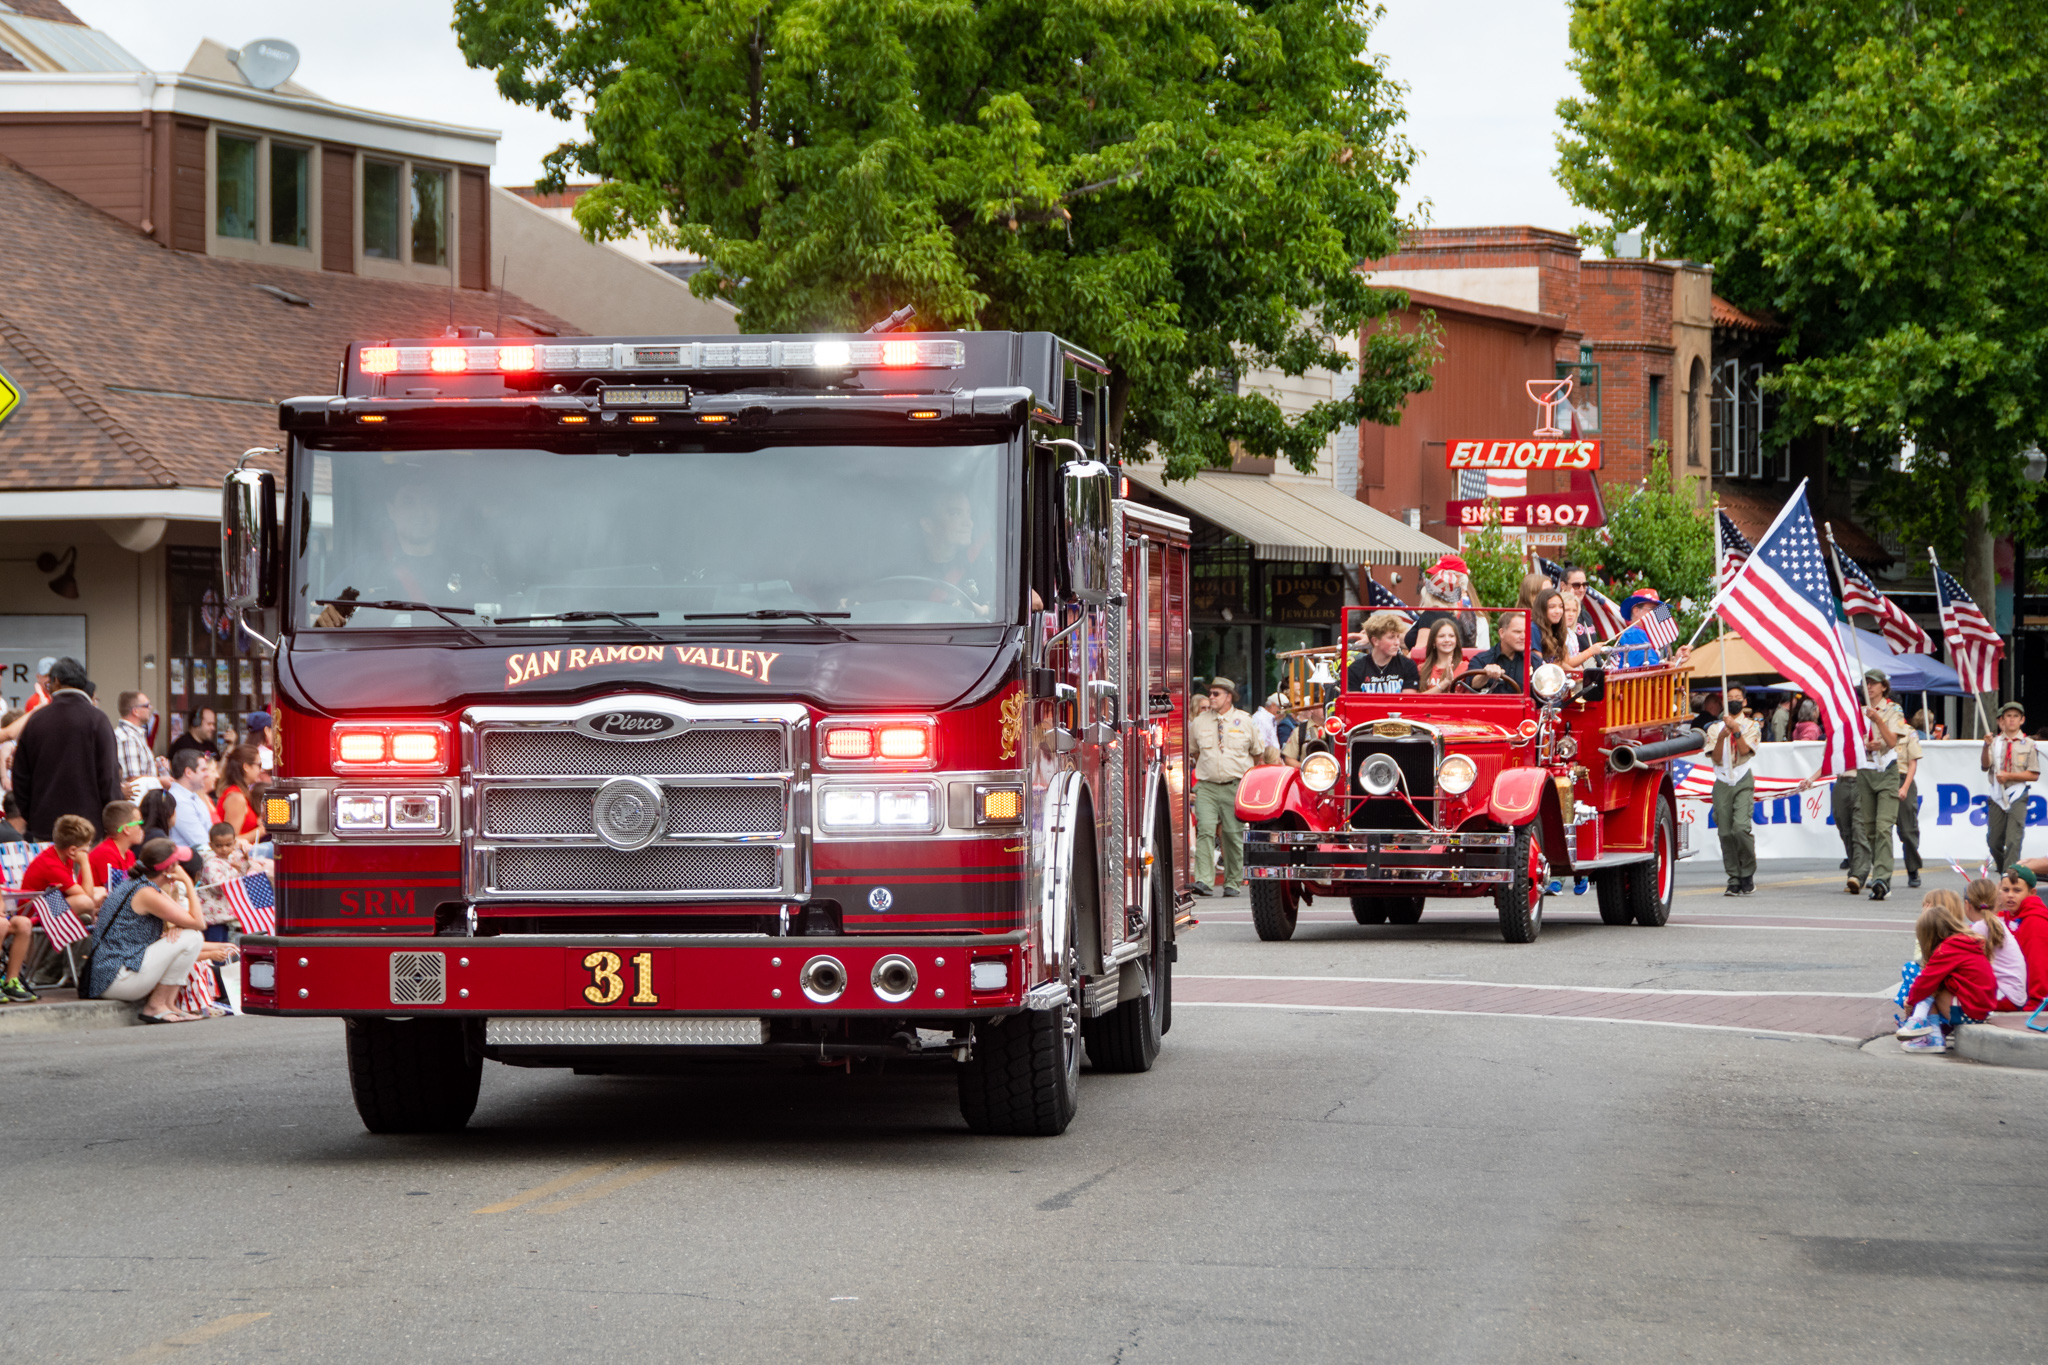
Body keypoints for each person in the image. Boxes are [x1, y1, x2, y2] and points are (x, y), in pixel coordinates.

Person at [81, 838, 232, 1023]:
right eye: (178, 864)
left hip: (113, 975)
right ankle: (156, 1006)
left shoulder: (141, 884)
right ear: (169, 870)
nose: (181, 867)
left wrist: (177, 928)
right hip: (115, 978)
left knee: (189, 936)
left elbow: (186, 920)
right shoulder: (146, 892)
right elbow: (199, 923)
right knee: (193, 937)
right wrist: (186, 881)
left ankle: (168, 1005)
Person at [8, 657, 121, 842]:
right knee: (84, 872)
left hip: (46, 827)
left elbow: (20, 776)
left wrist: (32, 815)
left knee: (50, 871)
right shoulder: (98, 719)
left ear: (57, 682)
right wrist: (111, 822)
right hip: (89, 829)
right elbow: (109, 776)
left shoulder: (36, 720)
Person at [1895, 891, 1998, 1051]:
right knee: (1935, 979)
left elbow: (1927, 979)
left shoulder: (1948, 949)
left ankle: (1926, 1029)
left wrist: (1911, 1001)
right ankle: (1926, 1027)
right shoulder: (1962, 941)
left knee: (1929, 981)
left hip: (1968, 1012)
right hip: (1980, 1009)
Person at [1189, 678, 1258, 898]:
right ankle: (1204, 881)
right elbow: (1195, 752)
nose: (1211, 697)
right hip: (1207, 786)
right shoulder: (1199, 722)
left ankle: (1233, 882)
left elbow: (1257, 754)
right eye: (1210, 693)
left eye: (1216, 694)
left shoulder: (1245, 721)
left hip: (1234, 786)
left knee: (1232, 835)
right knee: (1205, 831)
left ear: (1229, 696)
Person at [1847, 668, 1908, 900]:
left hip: (1887, 771)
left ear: (1883, 686)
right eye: (1866, 683)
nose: (1869, 687)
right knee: (1870, 827)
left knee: (1884, 826)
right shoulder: (1857, 711)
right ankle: (1879, 871)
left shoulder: (1893, 710)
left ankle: (1882, 878)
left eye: (1874, 683)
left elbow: (1891, 741)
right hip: (1865, 770)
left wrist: (1877, 720)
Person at [1706, 683, 1760, 896]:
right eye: (1730, 698)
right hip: (1722, 781)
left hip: (1742, 778)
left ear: (1744, 701)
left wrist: (1736, 732)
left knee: (1740, 828)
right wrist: (1722, 736)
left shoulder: (1752, 726)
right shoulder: (1714, 728)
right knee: (1725, 832)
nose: (1734, 701)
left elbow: (1747, 750)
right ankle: (1734, 878)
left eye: (1738, 697)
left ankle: (1747, 872)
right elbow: (1716, 758)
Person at [1980, 701, 2037, 874]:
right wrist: (1985, 746)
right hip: (1997, 794)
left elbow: (2033, 774)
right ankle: (2005, 867)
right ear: (2002, 720)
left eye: (2015, 717)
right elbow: (1984, 766)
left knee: (2013, 839)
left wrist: (2009, 776)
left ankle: (2009, 876)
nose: (2012, 720)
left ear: (2022, 720)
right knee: (1994, 841)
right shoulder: (1995, 742)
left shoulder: (2028, 744)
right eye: (2008, 716)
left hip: (2017, 793)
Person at [19, 813, 105, 920]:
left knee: (100, 891)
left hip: (49, 902)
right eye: (87, 845)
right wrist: (85, 863)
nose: (88, 849)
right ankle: (94, 928)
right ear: (72, 850)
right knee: (85, 901)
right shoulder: (52, 866)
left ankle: (93, 924)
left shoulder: (63, 856)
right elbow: (87, 898)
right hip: (34, 912)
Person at [1962, 878, 2029, 1013]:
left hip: (2005, 996)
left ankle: (1935, 1028)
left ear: (1967, 904)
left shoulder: (1980, 928)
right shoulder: (1995, 923)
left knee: (1947, 987)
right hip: (2014, 996)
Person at [1995, 866, 2048, 1010]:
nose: (2010, 895)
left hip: (2024, 998)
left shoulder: (2035, 923)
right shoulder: (2011, 915)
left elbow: (2039, 969)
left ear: (2032, 893)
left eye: (2017, 890)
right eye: (2005, 890)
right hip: (2011, 987)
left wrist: (2034, 1006)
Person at [1403, 555, 1479, 649]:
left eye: (1436, 577)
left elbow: (1420, 651)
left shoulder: (1433, 614)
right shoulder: (1469, 612)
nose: (1431, 580)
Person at [165, 750, 217, 873]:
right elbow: (202, 843)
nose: (207, 774)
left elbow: (212, 833)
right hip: (192, 868)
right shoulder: (178, 800)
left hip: (207, 860)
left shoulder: (193, 796)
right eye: (203, 770)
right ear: (188, 772)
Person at [1347, 611, 1421, 694]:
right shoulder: (1355, 669)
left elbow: (1408, 702)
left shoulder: (1408, 666)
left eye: (1397, 637)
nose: (1397, 643)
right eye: (1391, 637)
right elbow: (1355, 704)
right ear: (1375, 641)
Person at [1466, 611, 1534, 694]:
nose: (1523, 637)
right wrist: (1484, 674)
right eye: (1517, 632)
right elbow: (1472, 684)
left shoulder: (1534, 662)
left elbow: (1545, 695)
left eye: (1526, 632)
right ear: (1502, 633)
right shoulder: (1481, 660)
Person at [213, 745, 265, 848]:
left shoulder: (242, 793)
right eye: (259, 765)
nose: (261, 770)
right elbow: (230, 841)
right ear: (246, 767)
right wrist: (263, 830)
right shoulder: (236, 797)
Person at [88, 799, 143, 890]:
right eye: (139, 823)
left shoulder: (129, 854)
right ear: (126, 829)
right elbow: (117, 892)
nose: (141, 828)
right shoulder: (105, 853)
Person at [1895, 723, 1924, 889]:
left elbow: (1912, 763)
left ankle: (1913, 868)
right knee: (1879, 830)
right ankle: (1880, 873)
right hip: (1880, 778)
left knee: (1907, 830)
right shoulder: (1874, 728)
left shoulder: (1908, 732)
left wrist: (1905, 786)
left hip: (1901, 778)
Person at [113, 690, 155, 800]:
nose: (150, 708)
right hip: (137, 806)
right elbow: (134, 781)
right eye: (146, 705)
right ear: (135, 711)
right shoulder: (128, 738)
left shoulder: (135, 735)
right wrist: (160, 781)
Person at [1415, 618, 1463, 694]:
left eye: (1451, 636)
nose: (1447, 640)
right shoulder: (1421, 669)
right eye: (1441, 636)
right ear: (1433, 642)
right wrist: (1445, 682)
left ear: (1457, 641)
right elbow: (1416, 700)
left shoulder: (1466, 667)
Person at [1252, 694, 1287, 767]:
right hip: (1265, 764)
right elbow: (1259, 747)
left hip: (1271, 763)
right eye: (1281, 709)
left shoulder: (1269, 719)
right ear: (1273, 705)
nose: (1283, 713)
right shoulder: (1260, 719)